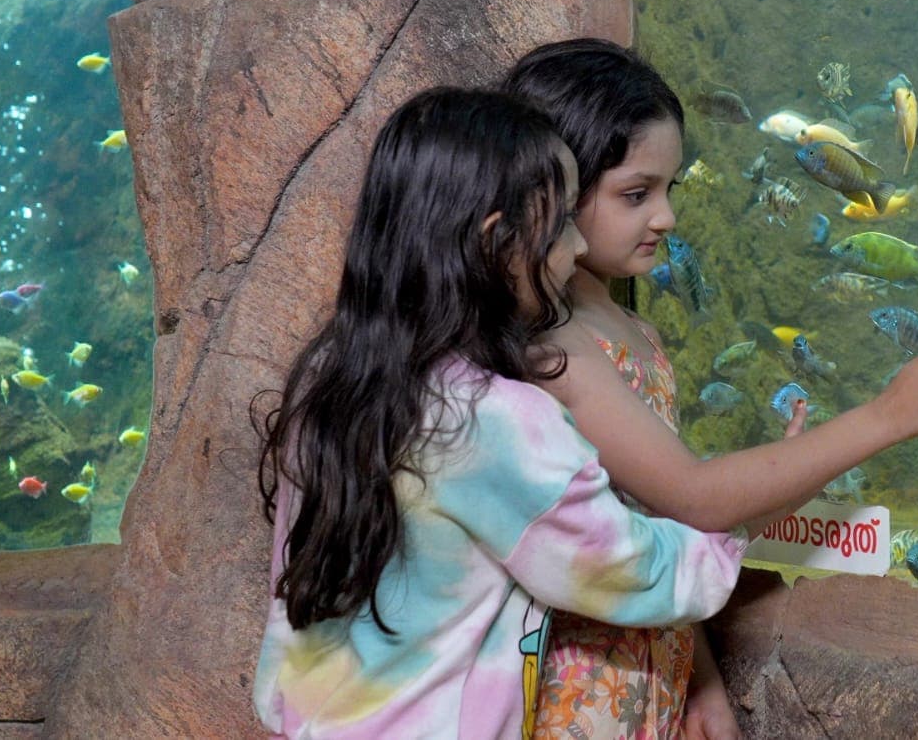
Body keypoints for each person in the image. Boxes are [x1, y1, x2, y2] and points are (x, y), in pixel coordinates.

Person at [500, 39, 918, 738]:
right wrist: (888, 414)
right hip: (579, 696)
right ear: (549, 192)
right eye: (636, 194)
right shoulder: (558, 348)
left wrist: (698, 681)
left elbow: (656, 533)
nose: (665, 216)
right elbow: (695, 499)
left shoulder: (634, 329)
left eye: (668, 188)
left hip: (651, 675)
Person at [252, 88, 749, 739]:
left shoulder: (329, 380)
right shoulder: (495, 418)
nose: (574, 249)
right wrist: (738, 520)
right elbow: (631, 568)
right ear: (498, 242)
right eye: (561, 224)